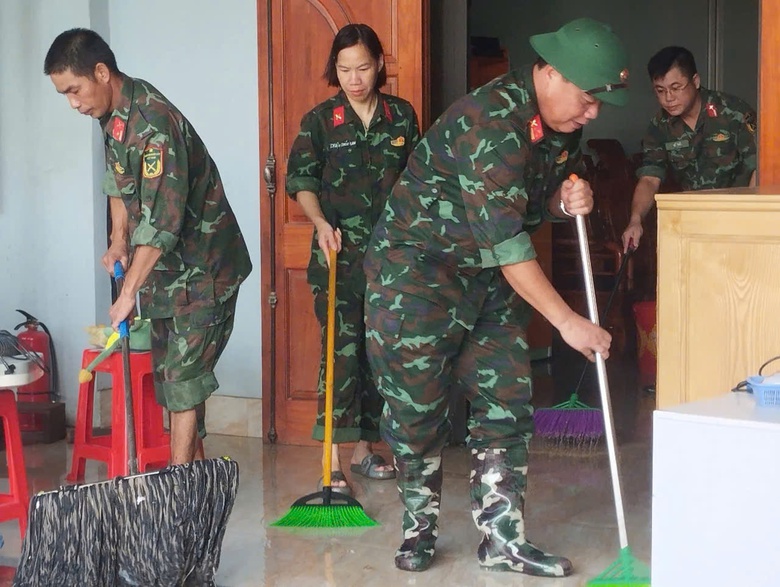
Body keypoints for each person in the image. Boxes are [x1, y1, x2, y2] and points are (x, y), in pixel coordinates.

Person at [363, 18, 627, 576]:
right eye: (587, 98)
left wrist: (562, 200)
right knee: (417, 409)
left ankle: (503, 537)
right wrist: (568, 321)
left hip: (484, 276)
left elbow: (524, 206)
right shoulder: (490, 122)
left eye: (600, 101)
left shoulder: (560, 124)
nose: (593, 112)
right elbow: (508, 243)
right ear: (550, 74)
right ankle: (418, 527)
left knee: (506, 397)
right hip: (417, 274)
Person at [44, 29, 252, 465]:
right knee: (171, 385)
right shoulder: (112, 117)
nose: (74, 103)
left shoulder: (154, 125)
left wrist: (126, 294)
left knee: (182, 382)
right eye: (64, 94)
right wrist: (118, 241)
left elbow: (162, 223)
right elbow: (119, 182)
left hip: (205, 270)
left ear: (101, 73)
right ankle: (195, 487)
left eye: (75, 90)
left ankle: (177, 497)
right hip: (166, 272)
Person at [285, 24, 420, 494]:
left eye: (363, 67)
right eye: (344, 69)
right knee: (340, 357)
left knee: (378, 354)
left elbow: (415, 186)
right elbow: (301, 181)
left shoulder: (401, 116)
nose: (354, 78)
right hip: (337, 256)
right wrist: (321, 223)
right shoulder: (321, 121)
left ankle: (366, 449)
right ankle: (335, 461)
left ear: (380, 64)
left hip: (388, 260)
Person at [622, 46, 757, 251]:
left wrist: (750, 221)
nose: (668, 98)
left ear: (695, 81)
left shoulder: (733, 113)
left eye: (676, 87)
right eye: (660, 91)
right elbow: (650, 178)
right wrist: (635, 220)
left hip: (738, 222)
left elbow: (760, 168)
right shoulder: (660, 126)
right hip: (693, 225)